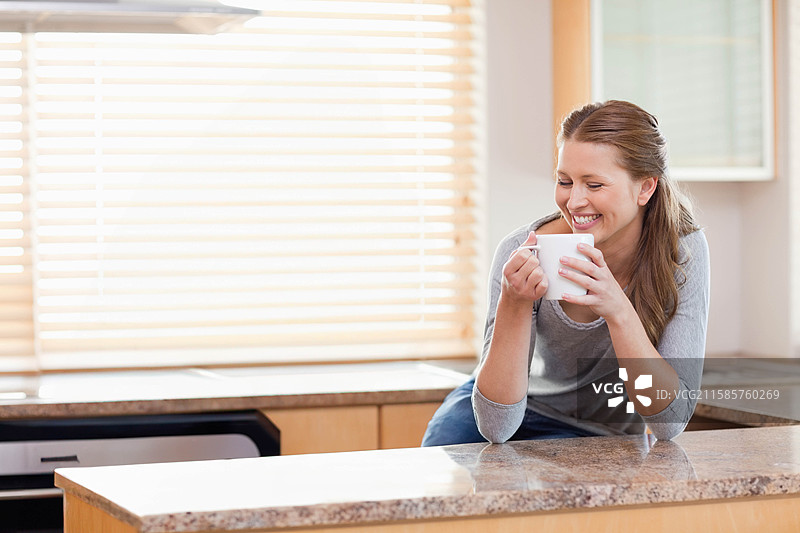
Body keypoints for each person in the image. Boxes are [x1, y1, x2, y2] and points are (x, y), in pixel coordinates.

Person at [422, 100, 710, 446]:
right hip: (499, 411)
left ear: (645, 188)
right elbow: (497, 427)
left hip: (600, 431)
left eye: (594, 185)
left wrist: (618, 310)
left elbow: (670, 423)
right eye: (564, 181)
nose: (573, 202)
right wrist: (514, 303)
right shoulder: (522, 251)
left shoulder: (681, 253)